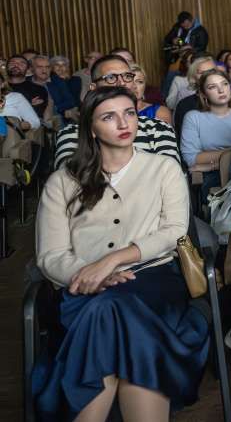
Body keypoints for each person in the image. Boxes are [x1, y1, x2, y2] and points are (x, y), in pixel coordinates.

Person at [34, 87, 206, 420]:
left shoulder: (163, 169)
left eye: (129, 113)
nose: (124, 123)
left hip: (154, 278)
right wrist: (90, 275)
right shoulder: (62, 181)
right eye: (109, 116)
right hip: (84, 286)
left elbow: (174, 233)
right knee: (110, 307)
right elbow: (50, 255)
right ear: (91, 127)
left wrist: (112, 260)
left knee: (111, 308)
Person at [54, 55, 179, 168]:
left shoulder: (158, 129)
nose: (122, 83)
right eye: (111, 77)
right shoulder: (72, 133)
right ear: (93, 88)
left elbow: (170, 177)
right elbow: (69, 181)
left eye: (127, 76)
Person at [180, 69, 231, 200]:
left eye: (224, 84)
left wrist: (211, 165)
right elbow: (191, 158)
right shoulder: (193, 117)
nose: (221, 90)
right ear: (204, 94)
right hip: (212, 176)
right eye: (212, 87)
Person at [6, 54, 49, 118]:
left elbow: (36, 115)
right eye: (12, 63)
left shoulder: (38, 89)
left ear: (28, 69)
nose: (16, 65)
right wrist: (29, 105)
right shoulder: (2, 87)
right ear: (6, 66)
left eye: (21, 63)